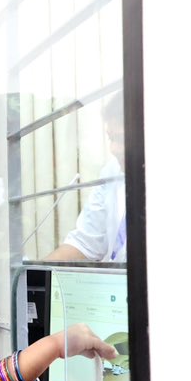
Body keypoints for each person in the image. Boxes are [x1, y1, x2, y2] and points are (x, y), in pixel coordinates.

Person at [45, 92, 126, 262]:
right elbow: (84, 243)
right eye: (111, 138)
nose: (113, 148)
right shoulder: (111, 171)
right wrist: (34, 275)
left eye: (121, 138)